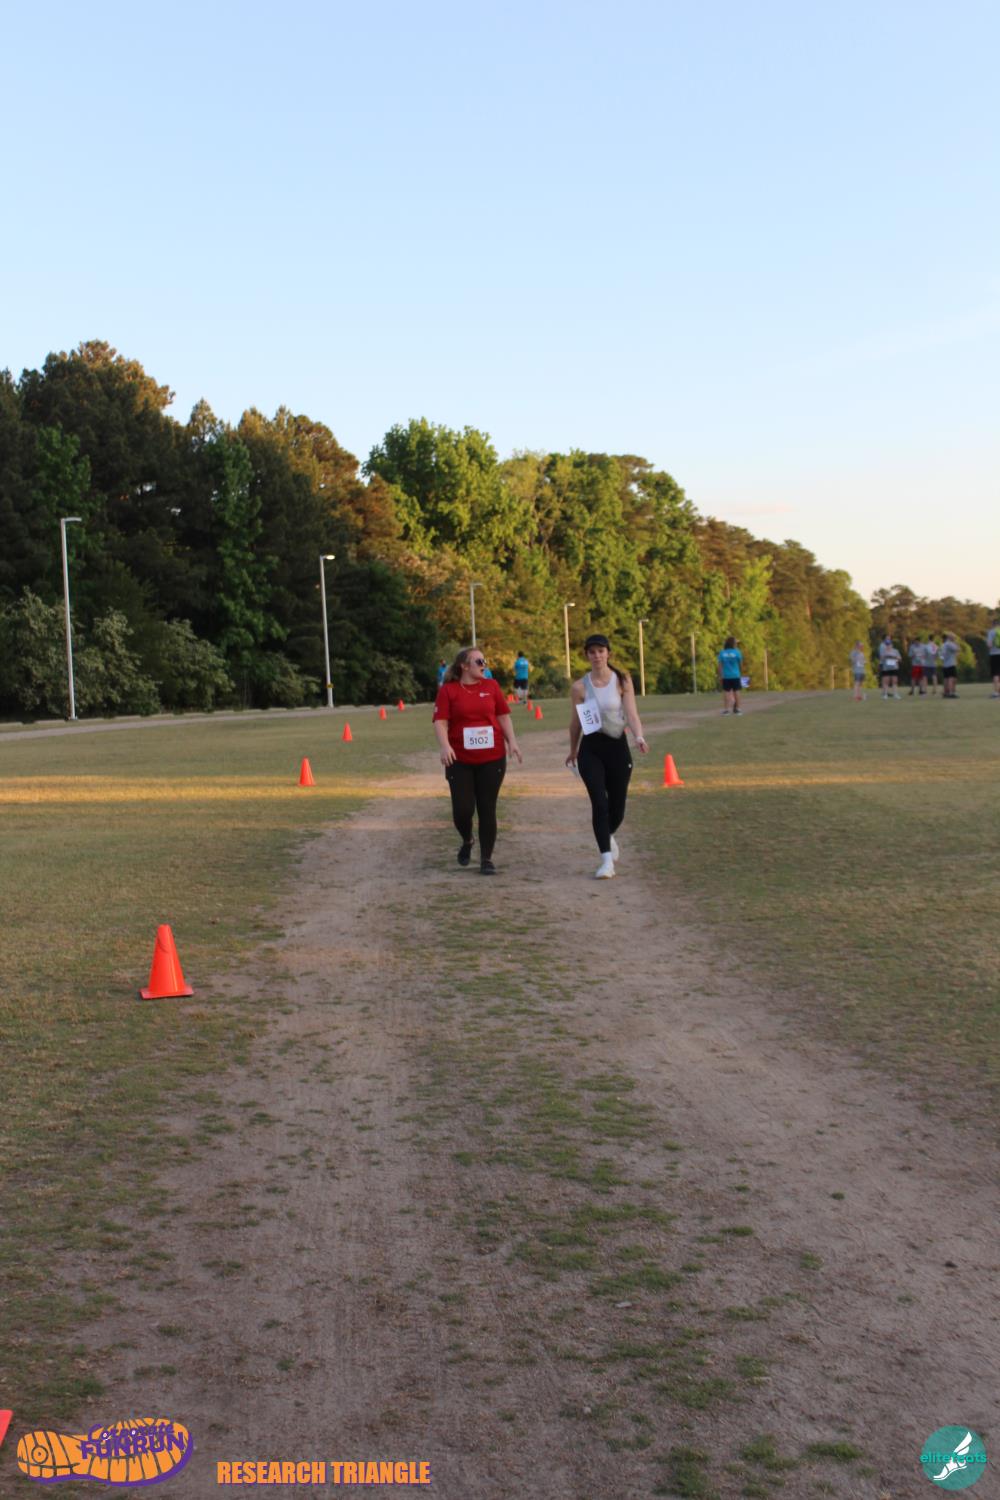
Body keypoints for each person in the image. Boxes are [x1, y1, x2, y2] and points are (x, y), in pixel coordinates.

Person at [566, 634, 649, 880]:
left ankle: (608, 834)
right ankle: (606, 861)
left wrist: (639, 736)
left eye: (601, 651)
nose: (597, 656)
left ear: (608, 653)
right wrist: (573, 750)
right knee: (599, 804)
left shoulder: (622, 680)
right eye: (592, 652)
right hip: (591, 748)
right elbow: (575, 722)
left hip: (617, 746)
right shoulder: (580, 687)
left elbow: (631, 714)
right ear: (587, 655)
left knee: (617, 808)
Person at [433, 647, 522, 874]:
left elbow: (503, 716)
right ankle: (467, 839)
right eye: (479, 661)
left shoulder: (491, 686)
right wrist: (445, 746)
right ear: (464, 666)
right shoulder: (449, 690)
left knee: (487, 807)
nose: (484, 665)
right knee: (462, 810)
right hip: (459, 759)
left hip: (492, 757)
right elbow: (440, 721)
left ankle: (486, 859)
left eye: (485, 661)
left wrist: (512, 742)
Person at [717, 636, 743, 714]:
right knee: (737, 691)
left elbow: (720, 666)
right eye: (736, 643)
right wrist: (740, 672)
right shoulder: (737, 652)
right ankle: (738, 709)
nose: (736, 644)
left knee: (726, 692)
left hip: (726, 676)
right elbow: (740, 664)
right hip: (735, 675)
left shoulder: (722, 653)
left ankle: (726, 710)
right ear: (733, 644)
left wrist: (720, 675)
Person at [878, 635, 901, 699]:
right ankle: (885, 694)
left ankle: (895, 694)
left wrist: (894, 657)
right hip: (886, 668)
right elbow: (881, 659)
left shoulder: (896, 651)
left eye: (889, 644)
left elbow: (899, 659)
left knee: (895, 681)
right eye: (887, 645)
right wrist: (885, 655)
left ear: (892, 645)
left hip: (894, 668)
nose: (888, 646)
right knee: (886, 681)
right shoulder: (883, 651)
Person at [940, 633, 960, 698]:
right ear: (950, 638)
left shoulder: (943, 645)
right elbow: (957, 649)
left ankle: (946, 692)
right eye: (954, 637)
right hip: (951, 663)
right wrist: (956, 643)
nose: (955, 638)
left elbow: (941, 656)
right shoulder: (950, 644)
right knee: (952, 678)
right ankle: (951, 693)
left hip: (945, 664)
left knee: (946, 679)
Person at [987, 619, 1000, 697]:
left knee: (995, 673)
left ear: (993, 624)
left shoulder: (991, 632)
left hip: (994, 654)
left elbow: (989, 645)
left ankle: (996, 692)